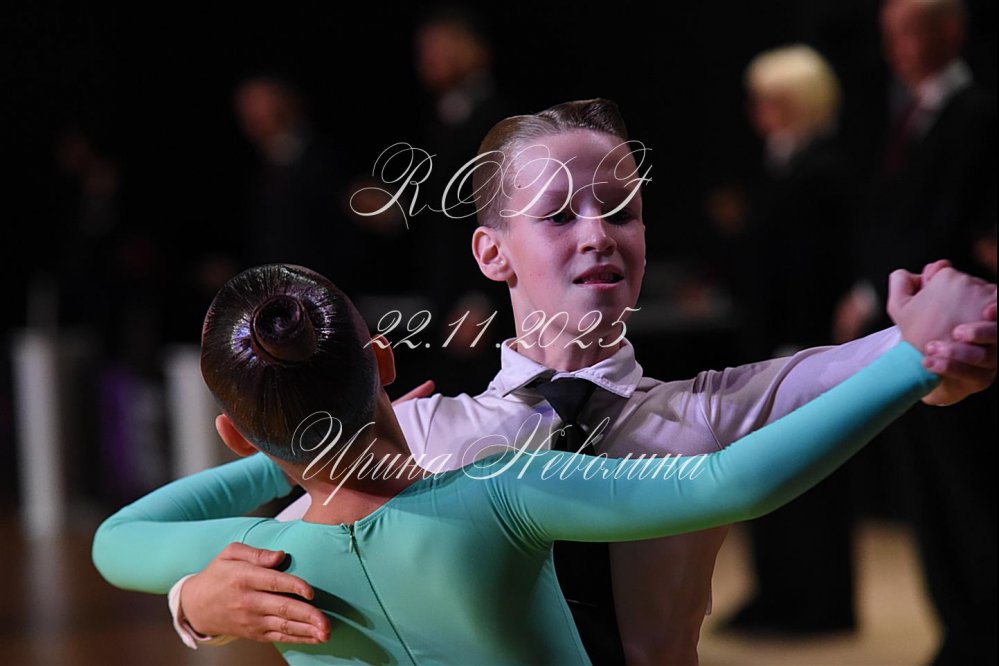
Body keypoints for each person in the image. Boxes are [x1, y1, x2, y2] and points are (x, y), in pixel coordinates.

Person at [167, 100, 997, 665]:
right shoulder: (419, 431)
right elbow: (273, 553)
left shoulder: (712, 411)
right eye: (560, 215)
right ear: (492, 253)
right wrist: (195, 607)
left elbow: (893, 359)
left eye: (621, 209)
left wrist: (944, 349)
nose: (599, 234)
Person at [93, 261, 989, 665]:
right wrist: (916, 361)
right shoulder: (499, 495)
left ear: (233, 436)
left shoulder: (268, 560)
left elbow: (118, 538)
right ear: (383, 362)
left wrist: (286, 456)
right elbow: (733, 485)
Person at [833, 2, 997, 662]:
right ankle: (957, 628)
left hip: (961, 338)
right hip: (905, 332)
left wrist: (880, 288)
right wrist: (865, 288)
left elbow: (947, 225)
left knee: (968, 490)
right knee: (927, 493)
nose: (894, 48)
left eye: (907, 32)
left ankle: (980, 631)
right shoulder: (903, 116)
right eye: (888, 35)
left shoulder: (976, 114)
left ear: (949, 33)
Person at [726, 45, 859, 635]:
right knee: (770, 472)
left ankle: (820, 603)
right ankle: (778, 592)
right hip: (769, 343)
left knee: (814, 478)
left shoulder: (824, 170)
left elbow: (819, 268)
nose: (759, 112)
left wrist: (798, 342)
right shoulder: (779, 165)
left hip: (804, 347)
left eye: (772, 101)